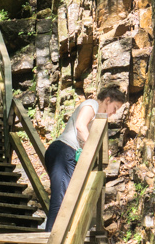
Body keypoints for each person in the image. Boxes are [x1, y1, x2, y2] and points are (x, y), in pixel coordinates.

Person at [40, 85, 126, 231]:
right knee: (61, 199)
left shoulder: (99, 119)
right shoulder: (92, 104)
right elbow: (80, 126)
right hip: (63, 151)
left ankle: (57, 238)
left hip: (69, 155)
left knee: (68, 199)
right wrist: (95, 148)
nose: (114, 113)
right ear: (107, 100)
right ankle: (50, 239)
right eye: (115, 107)